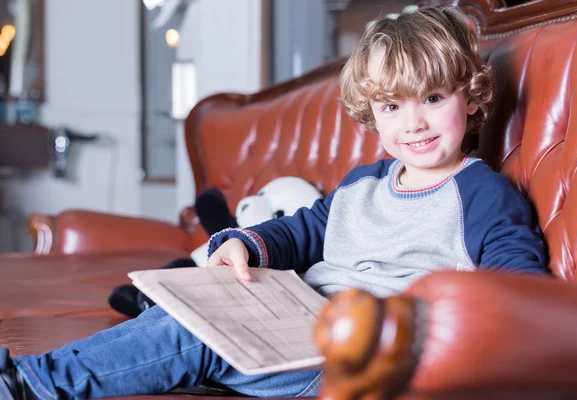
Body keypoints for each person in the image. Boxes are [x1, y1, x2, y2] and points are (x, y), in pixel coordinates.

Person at [0, 5, 547, 400]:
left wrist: (434, 330)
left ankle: (32, 384)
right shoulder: (364, 183)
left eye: (432, 99)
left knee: (198, 334)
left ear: (472, 98)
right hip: (294, 327)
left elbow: (518, 292)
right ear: (371, 115)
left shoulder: (481, 194)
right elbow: (302, 232)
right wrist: (244, 242)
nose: (414, 124)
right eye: (392, 107)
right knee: (192, 308)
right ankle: (32, 377)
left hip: (350, 360)